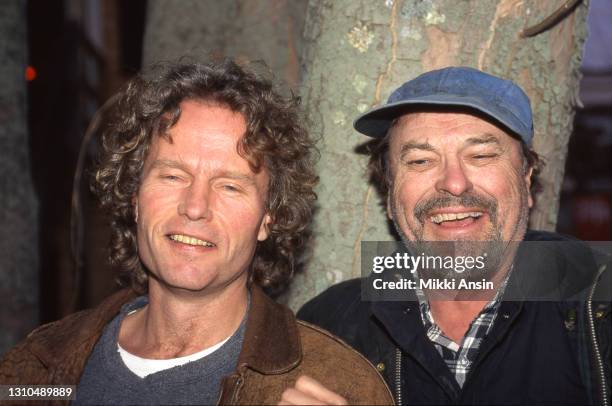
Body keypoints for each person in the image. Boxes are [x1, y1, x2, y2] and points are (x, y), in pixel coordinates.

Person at [0, 60, 392, 405]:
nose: (195, 207)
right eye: (173, 176)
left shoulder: (338, 383)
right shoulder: (35, 367)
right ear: (135, 197)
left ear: (268, 218)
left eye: (230, 186)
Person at [298, 67, 612, 405]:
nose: (454, 182)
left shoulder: (599, 307)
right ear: (389, 195)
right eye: (420, 161)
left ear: (526, 181)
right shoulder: (328, 325)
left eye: (481, 155)